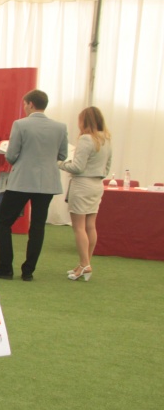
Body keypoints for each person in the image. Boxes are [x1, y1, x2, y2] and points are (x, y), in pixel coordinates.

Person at [0, 90, 68, 281]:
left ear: (30, 104)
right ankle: (28, 271)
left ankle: (5, 267)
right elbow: (62, 155)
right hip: (47, 183)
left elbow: (11, 155)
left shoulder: (20, 124)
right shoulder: (60, 127)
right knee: (38, 226)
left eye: (25, 104)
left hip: (22, 181)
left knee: (4, 222)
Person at [58, 106, 113, 281]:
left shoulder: (86, 139)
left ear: (84, 121)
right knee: (90, 225)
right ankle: (85, 263)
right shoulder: (106, 139)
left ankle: (84, 264)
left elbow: (77, 167)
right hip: (97, 184)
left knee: (79, 227)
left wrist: (59, 164)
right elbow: (107, 167)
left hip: (82, 184)